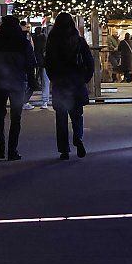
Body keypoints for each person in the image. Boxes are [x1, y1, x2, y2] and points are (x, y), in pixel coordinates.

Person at [0, 15, 37, 161]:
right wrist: (32, 83)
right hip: (18, 83)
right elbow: (30, 64)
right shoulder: (23, 43)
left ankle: (0, 147)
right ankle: (12, 150)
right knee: (16, 117)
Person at [44, 12, 94, 160]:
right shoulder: (79, 41)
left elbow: (48, 64)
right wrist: (84, 78)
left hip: (60, 83)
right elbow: (89, 62)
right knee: (77, 114)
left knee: (61, 117)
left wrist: (53, 79)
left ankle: (64, 150)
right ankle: (78, 137)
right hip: (76, 82)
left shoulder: (52, 42)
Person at [32, 26, 50, 109]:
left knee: (45, 82)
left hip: (45, 63)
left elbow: (38, 51)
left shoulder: (39, 38)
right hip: (47, 63)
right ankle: (45, 101)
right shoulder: (43, 38)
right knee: (46, 81)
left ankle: (45, 101)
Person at [19, 20, 36, 110]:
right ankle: (24, 102)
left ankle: (21, 102)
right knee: (31, 84)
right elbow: (31, 51)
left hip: (19, 66)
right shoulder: (27, 36)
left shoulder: (16, 37)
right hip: (28, 65)